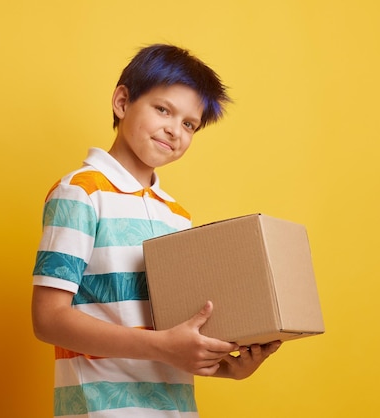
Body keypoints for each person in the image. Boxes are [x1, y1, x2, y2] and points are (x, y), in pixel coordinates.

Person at [31, 44, 282, 417]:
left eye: (189, 124)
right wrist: (163, 346)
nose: (174, 130)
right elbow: (48, 319)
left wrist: (231, 368)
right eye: (163, 109)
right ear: (122, 101)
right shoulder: (81, 193)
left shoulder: (177, 217)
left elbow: (175, 339)